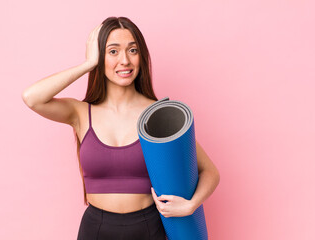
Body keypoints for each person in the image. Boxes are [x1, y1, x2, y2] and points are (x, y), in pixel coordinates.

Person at [22, 16, 220, 240]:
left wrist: (190, 206)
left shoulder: (157, 114)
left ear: (141, 57)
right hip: (95, 229)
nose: (125, 60)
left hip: (149, 228)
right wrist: (88, 64)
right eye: (113, 51)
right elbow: (32, 98)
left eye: (133, 50)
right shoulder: (80, 113)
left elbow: (210, 172)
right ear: (100, 57)